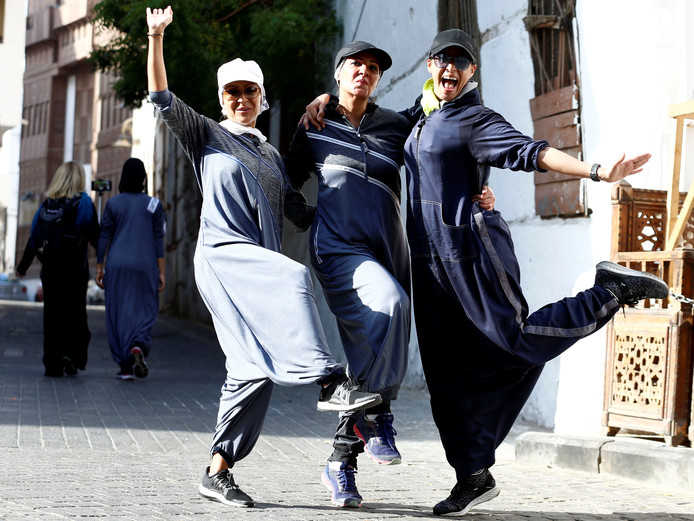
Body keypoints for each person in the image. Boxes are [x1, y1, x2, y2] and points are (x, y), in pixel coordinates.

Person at [304, 28, 669, 516]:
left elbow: (529, 151)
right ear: (431, 65)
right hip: (429, 268)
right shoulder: (417, 119)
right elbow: (362, 123)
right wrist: (325, 100)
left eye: (460, 61)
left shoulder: (474, 118)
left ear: (472, 70)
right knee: (448, 374)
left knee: (512, 340)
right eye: (442, 60)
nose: (450, 68)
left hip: (470, 253)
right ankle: (472, 473)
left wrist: (597, 171)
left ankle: (607, 292)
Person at [144, 6, 382, 509]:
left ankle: (217, 471)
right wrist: (156, 36)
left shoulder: (273, 157)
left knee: (252, 371)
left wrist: (364, 217)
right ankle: (328, 381)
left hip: (258, 267)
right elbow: (161, 97)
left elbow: (302, 212)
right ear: (221, 100)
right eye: (231, 91)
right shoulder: (205, 133)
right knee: (294, 277)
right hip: (225, 259)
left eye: (249, 90)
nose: (241, 99)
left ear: (261, 96)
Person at [286, 41, 496, 509]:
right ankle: (378, 414)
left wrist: (479, 190)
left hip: (389, 251)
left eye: (373, 68)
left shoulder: (397, 124)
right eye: (356, 65)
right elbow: (286, 176)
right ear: (338, 72)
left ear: (379, 79)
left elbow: (450, 119)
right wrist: (303, 215)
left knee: (371, 351)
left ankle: (340, 463)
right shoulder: (316, 123)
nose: (365, 72)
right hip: (339, 251)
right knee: (392, 306)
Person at [16, 161, 100, 377]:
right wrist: (105, 256)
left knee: (52, 316)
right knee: (76, 314)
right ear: (80, 179)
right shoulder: (83, 203)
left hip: (50, 270)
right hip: (75, 269)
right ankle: (72, 356)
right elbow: (93, 235)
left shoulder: (47, 205)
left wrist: (23, 266)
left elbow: (34, 237)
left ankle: (52, 364)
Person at [95, 158, 166, 380]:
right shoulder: (154, 205)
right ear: (144, 178)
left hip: (118, 265)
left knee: (118, 312)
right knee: (146, 308)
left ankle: (125, 365)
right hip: (145, 264)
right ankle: (139, 345)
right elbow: (158, 239)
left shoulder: (113, 204)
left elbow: (104, 235)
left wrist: (99, 267)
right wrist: (161, 271)